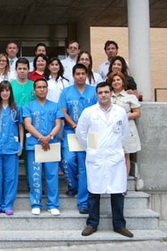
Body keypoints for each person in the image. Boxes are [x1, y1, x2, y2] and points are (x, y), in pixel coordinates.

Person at [77, 81, 133, 238]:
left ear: (111, 93)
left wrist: (113, 148)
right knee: (94, 192)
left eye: (106, 92)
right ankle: (92, 224)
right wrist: (92, 148)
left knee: (117, 191)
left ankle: (119, 225)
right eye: (100, 93)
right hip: (96, 156)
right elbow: (81, 133)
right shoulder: (89, 112)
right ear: (97, 95)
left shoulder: (120, 111)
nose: (103, 95)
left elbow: (124, 134)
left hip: (115, 156)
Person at [59, 64, 97, 214]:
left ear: (86, 75)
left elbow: (97, 111)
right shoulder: (66, 92)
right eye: (78, 74)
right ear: (73, 75)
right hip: (71, 131)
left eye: (83, 73)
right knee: (67, 161)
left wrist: (84, 127)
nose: (80, 76)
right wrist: (74, 124)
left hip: (89, 133)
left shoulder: (93, 92)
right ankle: (73, 185)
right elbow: (63, 111)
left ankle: (83, 201)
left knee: (85, 167)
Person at [23, 78, 63, 216]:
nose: (41, 89)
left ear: (47, 89)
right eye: (39, 87)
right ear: (34, 90)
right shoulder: (28, 106)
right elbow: (28, 124)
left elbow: (58, 124)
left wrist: (49, 137)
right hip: (35, 145)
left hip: (51, 145)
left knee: (52, 175)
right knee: (35, 175)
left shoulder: (55, 105)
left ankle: (53, 204)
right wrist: (41, 138)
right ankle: (36, 203)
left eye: (44, 87)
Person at [0, 81, 23, 215]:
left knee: (10, 178)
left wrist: (21, 145)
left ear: (10, 92)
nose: (5, 93)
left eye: (7, 90)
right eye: (3, 90)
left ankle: (7, 204)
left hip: (11, 148)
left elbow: (20, 127)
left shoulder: (16, 108)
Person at [109, 71, 141, 175]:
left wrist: (124, 116)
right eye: (113, 80)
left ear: (123, 82)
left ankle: (124, 182)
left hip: (127, 128)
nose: (116, 82)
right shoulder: (108, 96)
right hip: (111, 129)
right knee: (113, 155)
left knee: (125, 155)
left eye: (118, 80)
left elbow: (137, 113)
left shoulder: (130, 97)